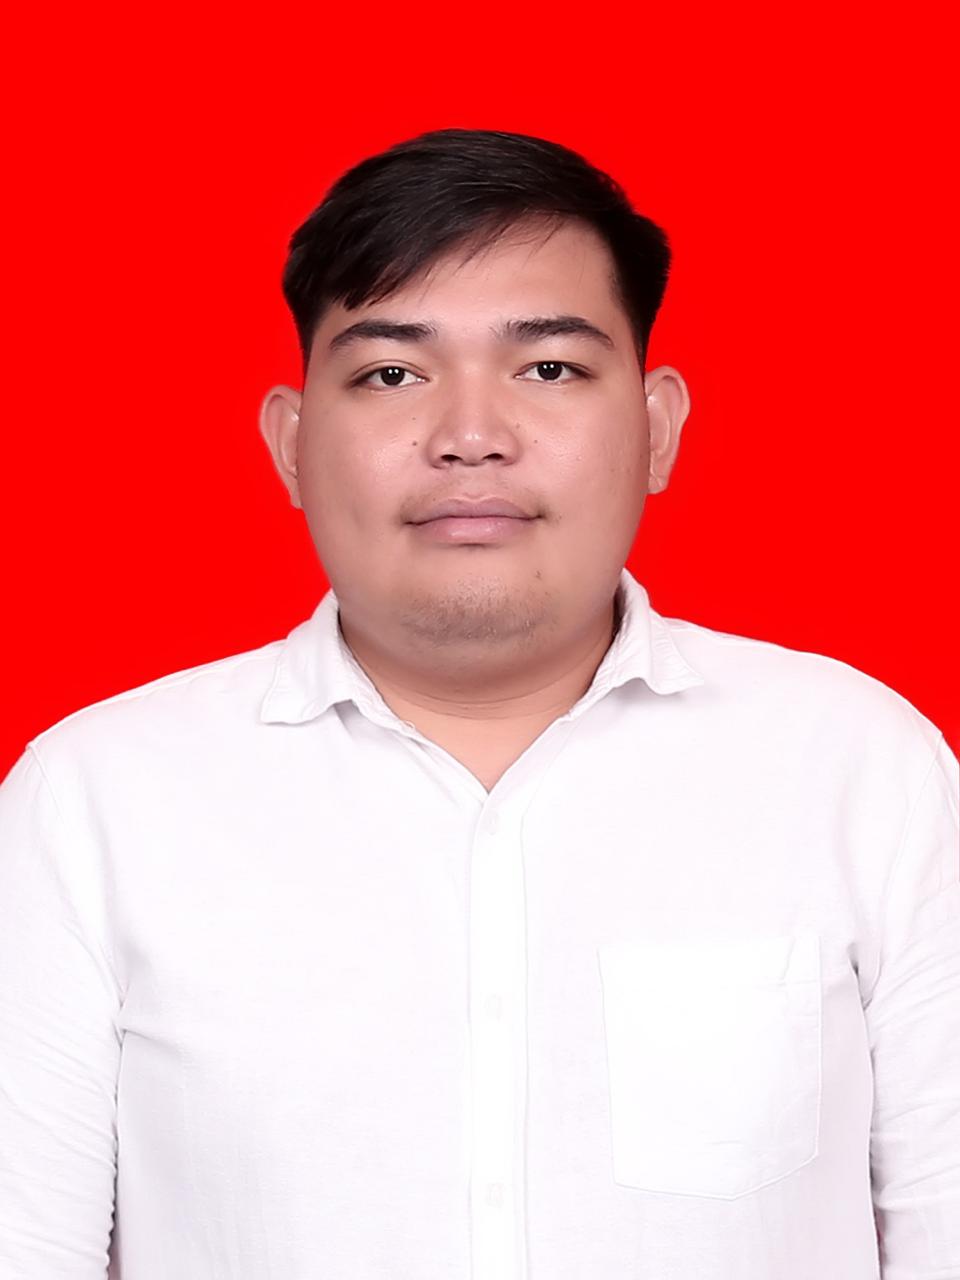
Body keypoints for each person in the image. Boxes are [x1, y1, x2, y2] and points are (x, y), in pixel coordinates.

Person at [0, 127, 957, 1280]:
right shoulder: (94, 804)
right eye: (391, 374)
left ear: (656, 427)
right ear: (291, 443)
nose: (469, 438)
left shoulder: (861, 768)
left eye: (547, 368)